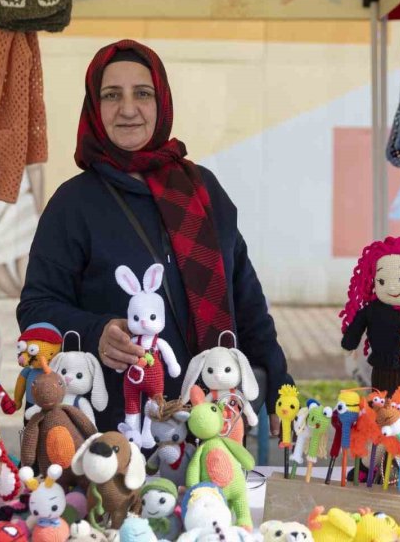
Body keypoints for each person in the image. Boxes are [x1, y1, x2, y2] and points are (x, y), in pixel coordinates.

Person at [17, 39, 289, 433]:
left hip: (207, 421)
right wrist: (98, 333)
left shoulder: (203, 191)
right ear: (95, 108)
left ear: (161, 101)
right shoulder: (72, 204)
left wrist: (279, 382)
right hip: (111, 430)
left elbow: (245, 301)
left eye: (142, 93)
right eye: (112, 95)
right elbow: (36, 307)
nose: (128, 109)